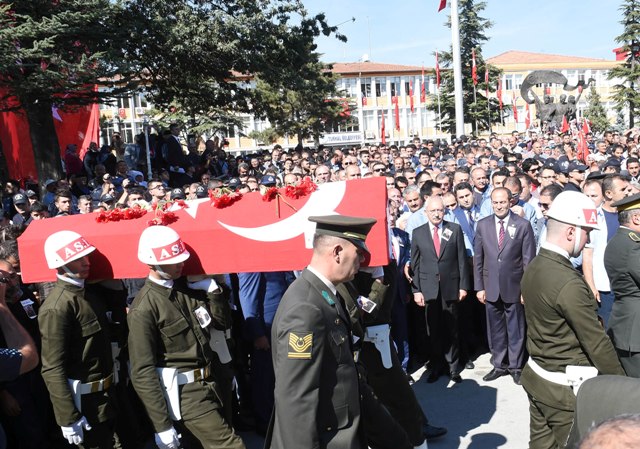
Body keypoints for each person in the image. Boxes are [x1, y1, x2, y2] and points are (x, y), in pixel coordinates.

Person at [520, 191, 625, 449]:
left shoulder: (536, 265)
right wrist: (623, 385)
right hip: (562, 391)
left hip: (538, 378)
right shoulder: (567, 281)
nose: (588, 238)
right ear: (570, 232)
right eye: (586, 232)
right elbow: (595, 342)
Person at [127, 225, 244, 449]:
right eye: (173, 261)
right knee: (232, 445)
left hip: (213, 381)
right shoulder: (144, 308)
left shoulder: (187, 290)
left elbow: (221, 323)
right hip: (186, 395)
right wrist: (161, 425)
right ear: (153, 263)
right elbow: (142, 371)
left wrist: (213, 290)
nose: (181, 264)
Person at [266, 215, 376, 449]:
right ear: (337, 252)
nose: (362, 261)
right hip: (328, 438)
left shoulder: (325, 294)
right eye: (358, 253)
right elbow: (296, 398)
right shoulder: (305, 308)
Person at [38, 231, 116, 448]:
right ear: (60, 263)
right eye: (77, 259)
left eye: (86, 256)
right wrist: (68, 416)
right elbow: (52, 367)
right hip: (86, 405)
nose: (86, 262)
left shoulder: (89, 296)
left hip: (109, 396)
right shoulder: (56, 308)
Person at [474, 187, 536, 385]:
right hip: (491, 286)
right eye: (495, 202)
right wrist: (479, 287)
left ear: (510, 202)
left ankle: (516, 366)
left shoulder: (523, 225)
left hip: (514, 286)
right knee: (496, 328)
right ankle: (499, 364)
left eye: (502, 202)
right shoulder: (483, 225)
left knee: (516, 328)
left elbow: (528, 261)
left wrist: (526, 289)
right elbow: (478, 258)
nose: (499, 206)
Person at [411, 196, 470, 383]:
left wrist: (463, 286)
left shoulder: (454, 229)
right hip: (429, 289)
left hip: (450, 287)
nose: (437, 214)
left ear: (444, 211)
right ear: (426, 212)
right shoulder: (418, 233)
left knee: (451, 329)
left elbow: (462, 259)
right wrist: (416, 290)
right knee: (434, 331)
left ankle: (453, 367)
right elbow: (415, 264)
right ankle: (437, 366)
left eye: (440, 210)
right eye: (433, 211)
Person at [604, 192, 640, 377]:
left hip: (624, 321)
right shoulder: (634, 246)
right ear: (636, 218)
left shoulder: (617, 241)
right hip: (635, 330)